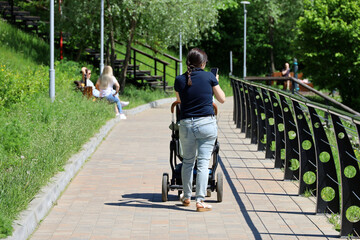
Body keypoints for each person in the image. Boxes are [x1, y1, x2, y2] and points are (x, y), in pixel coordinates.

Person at [174, 48, 226, 212]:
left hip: (187, 125)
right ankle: (200, 201)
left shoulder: (179, 80)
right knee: (203, 163)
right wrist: (215, 82)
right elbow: (222, 99)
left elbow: (180, 101)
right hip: (206, 125)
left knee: (188, 161)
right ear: (203, 63)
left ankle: (187, 196)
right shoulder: (209, 77)